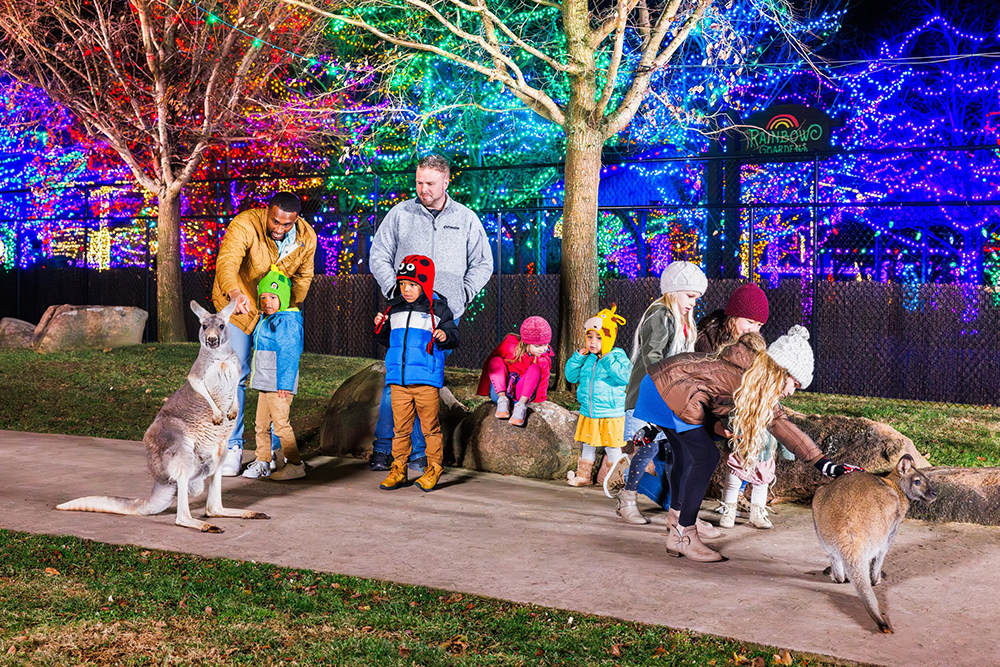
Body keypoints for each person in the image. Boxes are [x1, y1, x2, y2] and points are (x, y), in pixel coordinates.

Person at [630, 328, 861, 562]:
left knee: (685, 455)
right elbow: (693, 394)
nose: (792, 391)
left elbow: (782, 425)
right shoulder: (744, 378)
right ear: (780, 371)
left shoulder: (755, 379)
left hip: (661, 385)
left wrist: (825, 465)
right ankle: (684, 535)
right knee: (704, 456)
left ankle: (677, 521)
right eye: (794, 383)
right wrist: (706, 427)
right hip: (667, 391)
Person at [367, 154, 493, 472]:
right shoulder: (400, 215)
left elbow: (484, 263)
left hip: (441, 316)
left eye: (430, 183)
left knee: (426, 383)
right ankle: (384, 450)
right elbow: (378, 254)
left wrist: (462, 295)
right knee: (397, 380)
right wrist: (394, 291)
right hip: (405, 313)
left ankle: (419, 452)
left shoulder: (465, 219)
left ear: (446, 181)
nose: (423, 188)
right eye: (419, 181)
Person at [212, 192, 316, 476]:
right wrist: (235, 293)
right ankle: (232, 447)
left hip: (275, 311)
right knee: (237, 373)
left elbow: (304, 276)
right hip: (240, 307)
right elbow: (228, 262)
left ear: (296, 219)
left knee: (269, 378)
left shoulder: (306, 237)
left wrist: (288, 310)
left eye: (287, 224)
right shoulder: (246, 224)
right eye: (276, 222)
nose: (280, 229)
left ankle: (265, 454)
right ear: (267, 212)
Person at [608, 261, 709, 526]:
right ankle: (627, 498)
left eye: (696, 298)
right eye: (689, 295)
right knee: (647, 447)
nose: (693, 303)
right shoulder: (661, 315)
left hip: (668, 398)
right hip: (649, 397)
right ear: (674, 291)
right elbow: (653, 355)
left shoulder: (683, 321)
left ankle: (680, 513)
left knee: (675, 453)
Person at [373, 255, 460, 492]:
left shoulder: (439, 309)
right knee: (400, 429)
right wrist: (380, 326)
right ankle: (399, 469)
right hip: (399, 380)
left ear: (425, 283)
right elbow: (385, 340)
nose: (406, 289)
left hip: (425, 380)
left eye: (412, 284)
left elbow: (454, 336)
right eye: (402, 284)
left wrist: (445, 336)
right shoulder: (395, 308)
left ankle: (434, 468)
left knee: (429, 427)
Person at [241, 267, 306, 481]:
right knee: (260, 424)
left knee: (280, 425)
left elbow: (289, 354)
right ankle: (262, 460)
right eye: (264, 297)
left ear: (284, 298)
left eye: (272, 297)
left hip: (279, 386)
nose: (267, 302)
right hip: (265, 383)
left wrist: (285, 384)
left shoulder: (286, 322)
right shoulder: (267, 319)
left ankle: (295, 464)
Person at [564, 306, 631, 487]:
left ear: (609, 337)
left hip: (610, 413)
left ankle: (616, 481)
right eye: (590, 337)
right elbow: (571, 377)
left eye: (599, 337)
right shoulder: (587, 358)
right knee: (588, 445)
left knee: (612, 447)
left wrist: (607, 357)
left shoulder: (617, 356)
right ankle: (584, 476)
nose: (593, 342)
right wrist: (577, 357)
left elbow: (624, 377)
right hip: (589, 412)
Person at [475, 316, 554, 427]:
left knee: (535, 369)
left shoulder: (543, 358)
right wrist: (484, 390)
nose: (543, 349)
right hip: (501, 390)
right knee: (495, 360)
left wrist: (538, 402)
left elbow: (543, 381)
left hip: (521, 394)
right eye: (538, 346)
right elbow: (489, 363)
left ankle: (520, 407)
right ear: (526, 343)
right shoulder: (510, 346)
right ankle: (502, 401)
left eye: (545, 344)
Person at [695, 282, 769, 353]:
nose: (753, 330)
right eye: (750, 322)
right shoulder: (708, 338)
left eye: (759, 325)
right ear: (733, 317)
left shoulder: (754, 346)